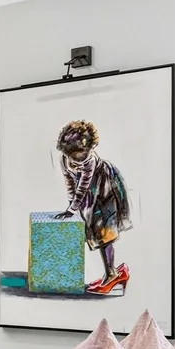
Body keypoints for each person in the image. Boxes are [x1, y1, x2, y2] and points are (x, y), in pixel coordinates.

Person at [53, 119, 131, 294]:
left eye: (82, 157)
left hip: (104, 190)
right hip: (88, 195)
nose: (78, 163)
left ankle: (111, 274)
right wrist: (71, 207)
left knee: (103, 231)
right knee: (92, 230)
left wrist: (74, 208)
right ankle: (114, 272)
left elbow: (83, 187)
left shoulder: (91, 162)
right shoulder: (64, 159)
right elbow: (70, 183)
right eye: (74, 159)